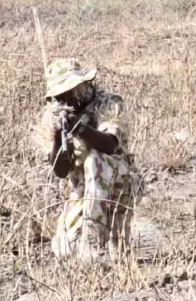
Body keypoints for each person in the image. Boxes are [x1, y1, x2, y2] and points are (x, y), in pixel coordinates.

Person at [35, 58, 138, 262]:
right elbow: (61, 171)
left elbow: (110, 145)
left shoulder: (108, 102)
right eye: (59, 95)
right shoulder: (54, 115)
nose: (66, 98)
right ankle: (89, 236)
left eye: (70, 91)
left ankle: (92, 234)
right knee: (64, 250)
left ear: (83, 85)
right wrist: (58, 135)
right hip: (83, 189)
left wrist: (80, 129)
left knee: (94, 159)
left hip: (118, 182)